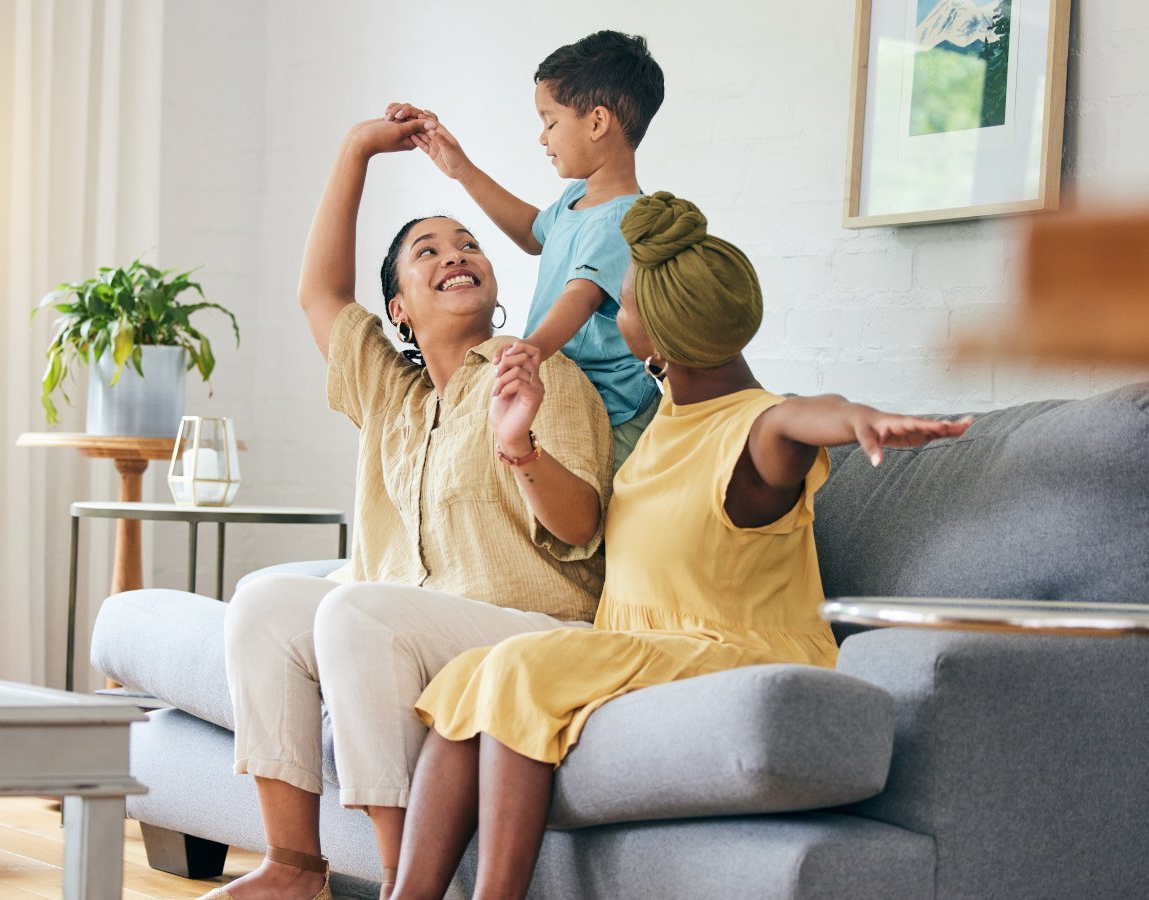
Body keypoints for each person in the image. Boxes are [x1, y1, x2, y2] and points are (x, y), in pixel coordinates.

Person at [390, 192, 974, 900]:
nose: (615, 315)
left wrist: (860, 418)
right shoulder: (669, 419)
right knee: (465, 680)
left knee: (516, 668)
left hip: (731, 648)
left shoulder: (754, 431)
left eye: (625, 306)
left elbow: (801, 417)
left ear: (660, 341)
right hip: (641, 645)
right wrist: (520, 445)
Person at [199, 114, 615, 900]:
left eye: (468, 244)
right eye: (429, 252)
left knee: (356, 612)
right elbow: (319, 292)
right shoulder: (389, 391)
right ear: (399, 310)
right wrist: (355, 148)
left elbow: (582, 528)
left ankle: (405, 884)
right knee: (261, 601)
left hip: (530, 629)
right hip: (408, 621)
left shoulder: (538, 373)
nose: (457, 254)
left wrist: (521, 446)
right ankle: (293, 868)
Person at [390, 30, 666, 470]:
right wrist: (461, 169)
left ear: (596, 123)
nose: (542, 137)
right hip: (573, 395)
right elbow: (533, 234)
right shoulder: (579, 199)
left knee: (608, 519)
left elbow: (581, 295)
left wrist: (532, 348)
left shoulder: (625, 218)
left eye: (551, 122)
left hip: (617, 416)